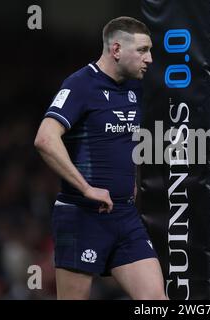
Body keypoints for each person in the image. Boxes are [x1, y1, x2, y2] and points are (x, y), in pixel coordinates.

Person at [34, 16, 167, 300]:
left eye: (150, 50)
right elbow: (45, 139)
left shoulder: (134, 88)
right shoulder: (80, 85)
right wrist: (86, 188)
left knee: (156, 300)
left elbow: (127, 144)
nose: (150, 59)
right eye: (142, 50)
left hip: (125, 216)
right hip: (82, 216)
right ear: (116, 49)